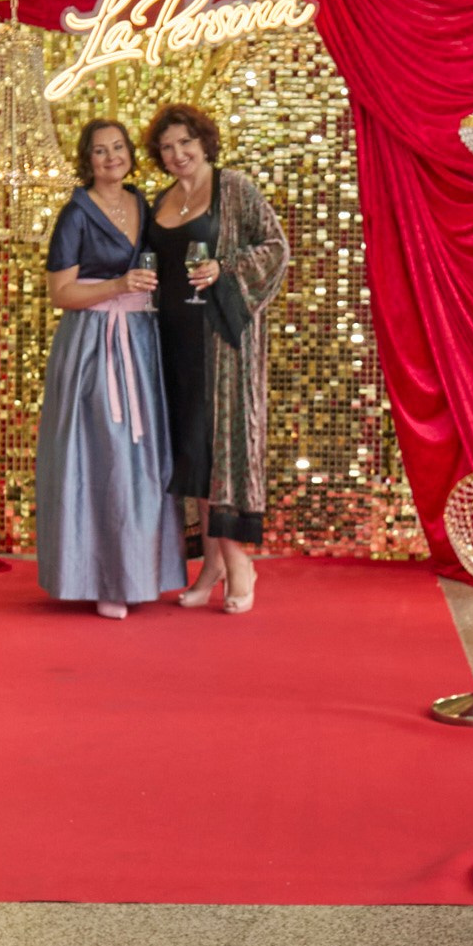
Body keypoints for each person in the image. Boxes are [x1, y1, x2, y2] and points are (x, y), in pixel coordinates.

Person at [145, 102, 289, 614]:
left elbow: (276, 248)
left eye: (185, 142)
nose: (177, 153)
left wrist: (224, 268)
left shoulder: (235, 188)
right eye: (167, 147)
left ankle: (238, 560)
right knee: (191, 455)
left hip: (222, 343)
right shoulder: (160, 200)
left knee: (219, 452)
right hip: (170, 344)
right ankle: (210, 563)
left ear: (204, 141)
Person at [35, 119, 181, 619]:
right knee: (104, 456)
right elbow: (61, 292)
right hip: (94, 346)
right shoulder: (75, 213)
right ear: (87, 159)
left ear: (129, 155)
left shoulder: (145, 203)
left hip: (142, 344)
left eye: (118, 148)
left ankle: (143, 571)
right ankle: (104, 577)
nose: (111, 157)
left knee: (144, 460)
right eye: (100, 151)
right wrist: (118, 285)